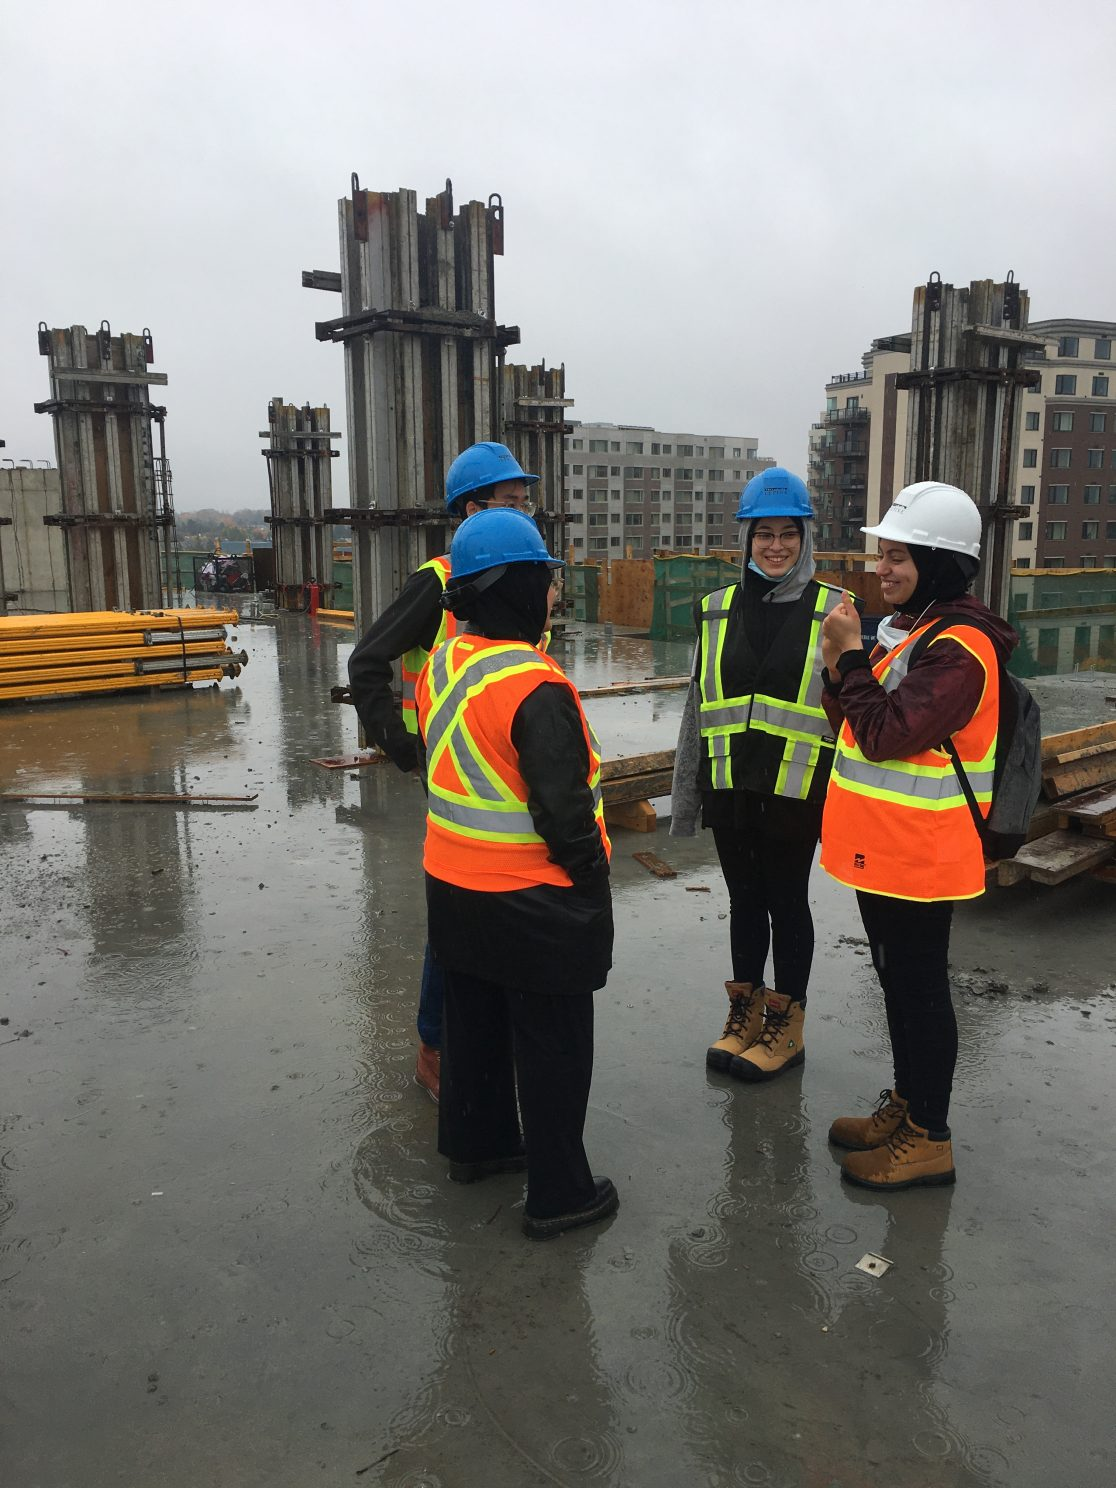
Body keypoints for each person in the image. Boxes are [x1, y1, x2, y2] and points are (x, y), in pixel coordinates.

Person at [416, 508, 618, 1240]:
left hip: (454, 890)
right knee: (554, 1045)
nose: (555, 596)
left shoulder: (445, 664)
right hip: (536, 903)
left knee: (475, 1028)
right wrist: (593, 883)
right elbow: (564, 814)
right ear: (517, 586)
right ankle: (561, 1192)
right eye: (547, 581)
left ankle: (479, 1146)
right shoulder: (535, 685)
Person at [819, 481, 1018, 1190]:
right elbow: (846, 714)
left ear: (940, 562)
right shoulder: (913, 629)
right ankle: (906, 1105)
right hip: (886, 848)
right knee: (895, 981)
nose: (883, 569)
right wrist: (837, 661)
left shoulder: (962, 649)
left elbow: (884, 733)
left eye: (900, 557)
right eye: (883, 555)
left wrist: (847, 658)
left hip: (926, 851)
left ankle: (930, 1136)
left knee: (921, 987)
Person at [347, 443, 539, 1101]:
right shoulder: (439, 580)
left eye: (523, 501)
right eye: (511, 501)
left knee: (508, 911)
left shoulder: (517, 571)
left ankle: (488, 1038)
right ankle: (435, 1045)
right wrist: (404, 748)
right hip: (458, 780)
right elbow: (366, 660)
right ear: (472, 507)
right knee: (456, 917)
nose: (524, 511)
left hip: (511, 772)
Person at [671, 467, 848, 1082]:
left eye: (788, 535)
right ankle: (743, 1014)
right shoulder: (714, 611)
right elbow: (698, 711)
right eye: (763, 534)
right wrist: (685, 800)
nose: (775, 546)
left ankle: (786, 1025)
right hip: (730, 787)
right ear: (745, 539)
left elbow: (854, 711)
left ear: (806, 539)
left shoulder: (835, 614)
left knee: (786, 903)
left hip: (796, 792)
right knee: (744, 902)